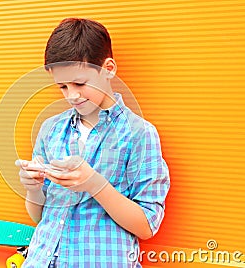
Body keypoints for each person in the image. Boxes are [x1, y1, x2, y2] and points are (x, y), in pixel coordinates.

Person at [15, 18, 170, 267]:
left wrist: (95, 184)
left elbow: (147, 226)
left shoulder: (140, 134)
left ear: (108, 68)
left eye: (80, 83)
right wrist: (33, 188)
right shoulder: (51, 129)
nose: (72, 95)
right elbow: (41, 216)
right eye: (62, 86)